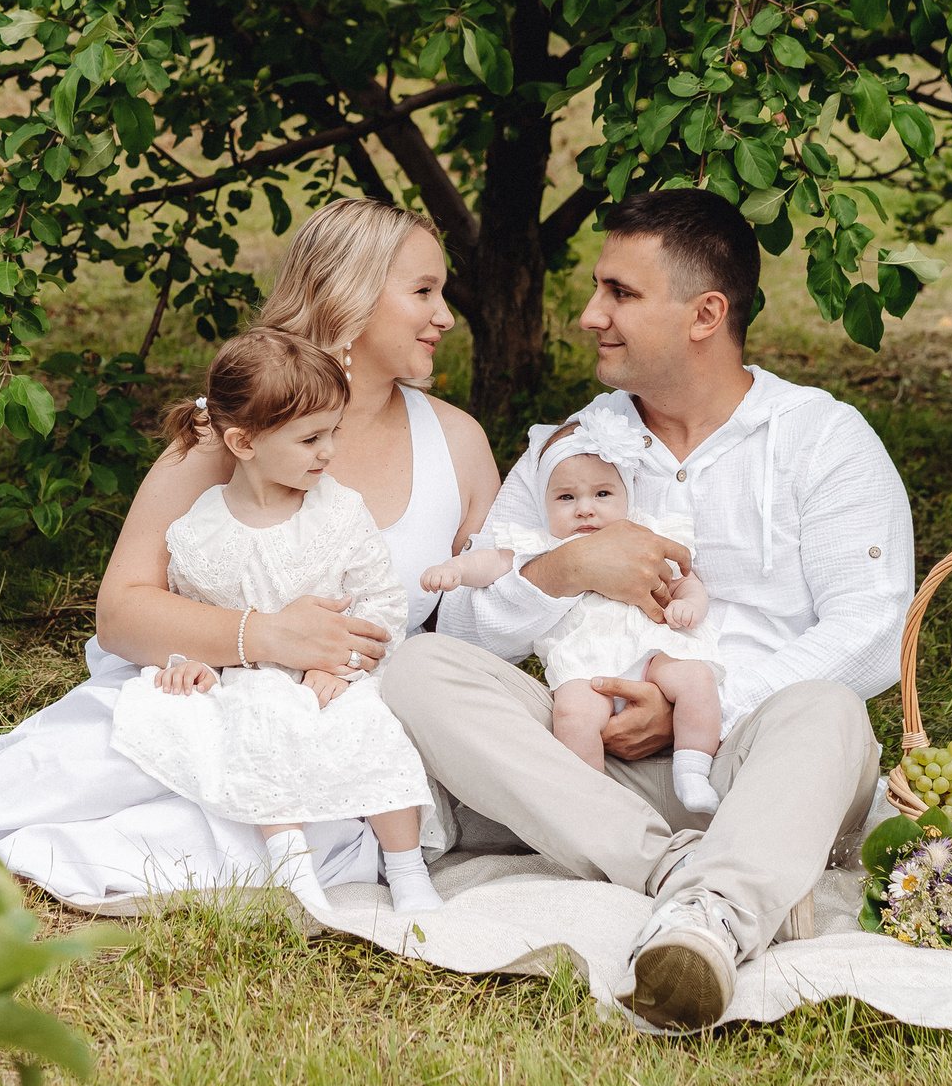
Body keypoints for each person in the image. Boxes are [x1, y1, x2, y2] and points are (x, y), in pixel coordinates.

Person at [0, 198, 501, 906]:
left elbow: (482, 631)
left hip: (332, 722)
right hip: (197, 687)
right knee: (86, 767)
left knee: (263, 831)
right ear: (354, 295)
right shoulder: (235, 431)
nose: (445, 314)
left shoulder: (458, 445)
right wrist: (262, 635)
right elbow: (121, 611)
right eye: (425, 290)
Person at [383, 188, 913, 1034]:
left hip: (763, 768)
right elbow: (473, 633)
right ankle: (690, 884)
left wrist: (696, 704)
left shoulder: (821, 438)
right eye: (598, 289)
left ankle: (713, 917)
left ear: (706, 313)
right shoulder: (569, 449)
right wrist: (565, 568)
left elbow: (874, 634)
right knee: (416, 669)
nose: (591, 314)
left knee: (830, 706)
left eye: (620, 293)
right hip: (588, 761)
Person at [107, 328, 442, 915]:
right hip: (251, 678)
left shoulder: (338, 511)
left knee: (370, 725)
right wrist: (193, 668)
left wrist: (347, 666)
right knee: (257, 723)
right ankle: (293, 868)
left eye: (333, 432)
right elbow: (196, 617)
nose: (329, 452)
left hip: (338, 673)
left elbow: (382, 601)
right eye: (311, 438)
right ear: (243, 442)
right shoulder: (199, 530)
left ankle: (407, 868)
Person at [420, 433, 724, 812]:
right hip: (585, 665)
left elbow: (683, 578)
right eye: (566, 498)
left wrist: (689, 604)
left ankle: (692, 768)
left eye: (602, 495)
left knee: (696, 680)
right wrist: (455, 569)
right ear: (544, 504)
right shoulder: (543, 545)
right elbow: (491, 562)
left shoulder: (645, 535)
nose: (584, 509)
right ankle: (593, 802)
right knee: (572, 715)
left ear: (627, 496)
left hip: (651, 652)